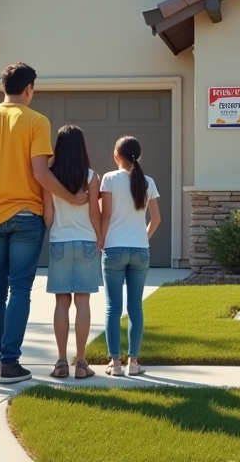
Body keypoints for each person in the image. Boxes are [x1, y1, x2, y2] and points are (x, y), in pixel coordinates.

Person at [0, 63, 89, 384]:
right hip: (27, 216)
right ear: (29, 89)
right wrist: (71, 196)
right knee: (20, 288)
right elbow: (41, 173)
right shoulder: (37, 121)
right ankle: (11, 362)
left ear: (4, 87)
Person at [41, 125, 102, 379]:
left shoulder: (50, 176)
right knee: (83, 302)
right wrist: (99, 239)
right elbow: (94, 213)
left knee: (62, 302)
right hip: (86, 242)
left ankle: (60, 362)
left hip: (59, 243)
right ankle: (81, 363)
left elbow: (47, 217)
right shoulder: (91, 176)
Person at [99, 135, 161, 377]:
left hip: (114, 248)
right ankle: (133, 363)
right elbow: (156, 219)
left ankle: (115, 365)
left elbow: (105, 216)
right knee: (135, 307)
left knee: (113, 308)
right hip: (140, 250)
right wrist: (143, 238)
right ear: (139, 156)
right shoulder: (148, 182)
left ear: (117, 156)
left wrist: (102, 240)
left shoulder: (109, 179)